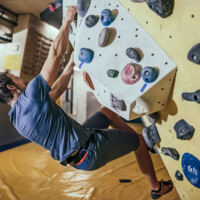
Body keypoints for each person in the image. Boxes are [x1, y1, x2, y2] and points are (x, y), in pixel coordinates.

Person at [0, 6, 173, 199]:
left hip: (79, 153)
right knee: (139, 142)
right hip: (90, 150)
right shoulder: (30, 96)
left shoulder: (17, 118)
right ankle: (156, 187)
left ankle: (125, 136)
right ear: (11, 88)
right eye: (16, 79)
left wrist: (72, 63)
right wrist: (66, 21)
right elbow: (56, 53)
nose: (21, 79)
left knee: (108, 110)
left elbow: (57, 89)